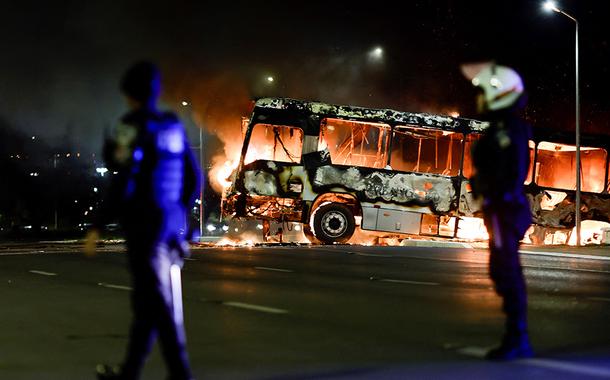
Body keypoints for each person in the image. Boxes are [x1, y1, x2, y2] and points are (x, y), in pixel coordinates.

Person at [85, 61, 200, 379]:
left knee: (158, 304)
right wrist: (182, 215)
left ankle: (180, 372)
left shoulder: (131, 125)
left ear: (128, 94)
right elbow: (193, 178)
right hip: (172, 225)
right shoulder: (173, 125)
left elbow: (125, 179)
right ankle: (130, 371)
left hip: (144, 226)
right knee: (150, 302)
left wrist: (97, 224)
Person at [461, 62, 534, 360]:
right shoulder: (501, 128)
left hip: (505, 209)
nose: (477, 98)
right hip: (500, 209)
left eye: (482, 92)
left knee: (506, 270)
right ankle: (516, 336)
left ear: (498, 93)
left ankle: (517, 338)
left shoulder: (509, 130)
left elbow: (511, 171)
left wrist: (492, 190)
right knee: (501, 269)